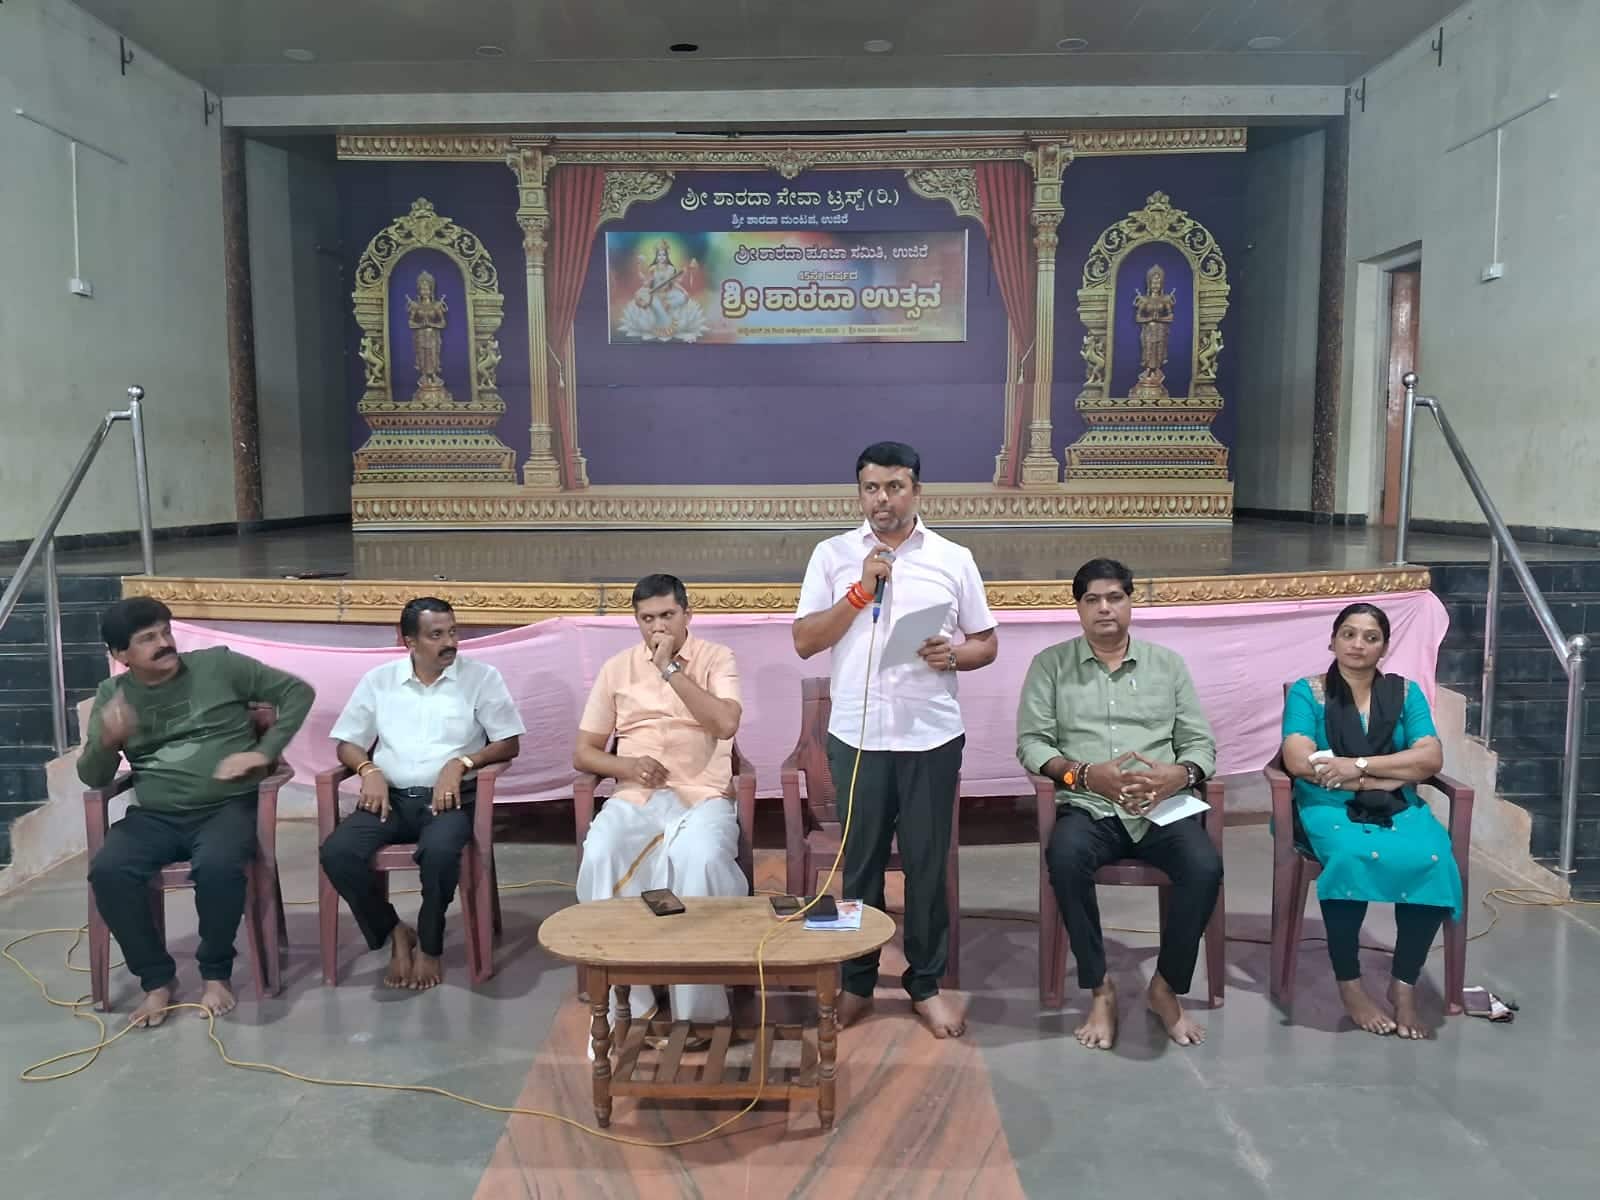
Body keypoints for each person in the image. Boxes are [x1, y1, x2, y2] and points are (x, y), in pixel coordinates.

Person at [793, 441, 998, 1039]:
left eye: (895, 487)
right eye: (871, 488)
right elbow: (805, 641)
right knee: (858, 868)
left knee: (928, 866)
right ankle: (855, 982)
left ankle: (925, 984)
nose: (882, 499)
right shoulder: (832, 555)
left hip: (930, 735)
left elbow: (986, 642)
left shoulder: (953, 558)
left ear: (917, 491)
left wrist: (953, 655)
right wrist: (859, 593)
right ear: (860, 493)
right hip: (857, 737)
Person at [79, 598, 314, 1027]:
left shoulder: (219, 667)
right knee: (109, 871)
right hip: (156, 816)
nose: (164, 643)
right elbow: (94, 777)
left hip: (226, 807)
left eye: (165, 632)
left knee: (219, 866)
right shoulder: (113, 696)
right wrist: (107, 742)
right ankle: (156, 980)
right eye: (148, 638)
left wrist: (263, 752)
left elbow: (297, 692)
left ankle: (215, 972)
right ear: (120, 654)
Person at [1016, 558, 1221, 1049]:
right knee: (1065, 858)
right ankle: (1099, 987)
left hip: (1161, 808)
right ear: (1078, 608)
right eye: (1092, 600)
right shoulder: (1050, 665)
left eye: (1115, 597)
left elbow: (1200, 744)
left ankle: (1165, 987)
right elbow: (1032, 744)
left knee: (1204, 866)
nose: (1104, 608)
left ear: (1131, 602)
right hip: (1089, 806)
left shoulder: (1167, 665)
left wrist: (1179, 776)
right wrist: (1084, 775)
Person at [320, 598, 524, 990]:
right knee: (337, 853)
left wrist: (461, 763)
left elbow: (508, 742)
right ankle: (396, 931)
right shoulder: (380, 681)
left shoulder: (481, 678)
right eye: (437, 635)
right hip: (390, 800)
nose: (450, 642)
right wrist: (368, 770)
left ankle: (430, 945)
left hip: (448, 801)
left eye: (453, 632)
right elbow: (347, 742)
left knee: (440, 852)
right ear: (409, 641)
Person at [1280, 601, 1461, 1040]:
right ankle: (1351, 984)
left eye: (1370, 637)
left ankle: (1404, 984)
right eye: (1349, 634)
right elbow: (1299, 760)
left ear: (1384, 647)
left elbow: (1430, 757)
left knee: (1434, 857)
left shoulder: (1405, 693)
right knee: (1351, 855)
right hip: (1325, 803)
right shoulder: (1310, 692)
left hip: (1393, 803)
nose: (1358, 644)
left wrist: (1358, 768)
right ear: (1333, 641)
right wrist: (1389, 772)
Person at [574, 574, 745, 1035]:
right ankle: (632, 1001)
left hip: (703, 796)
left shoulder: (716, 658)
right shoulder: (617, 668)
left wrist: (670, 669)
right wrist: (626, 766)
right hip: (637, 796)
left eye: (667, 616)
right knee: (601, 852)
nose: (658, 627)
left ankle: (699, 1012)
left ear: (688, 614)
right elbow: (584, 753)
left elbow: (726, 724)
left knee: (700, 858)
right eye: (647, 619)